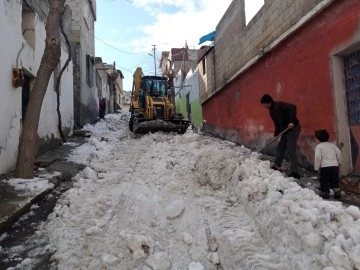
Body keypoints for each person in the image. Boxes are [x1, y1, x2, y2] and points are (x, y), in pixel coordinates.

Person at [260, 94, 301, 178]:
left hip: (293, 129)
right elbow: (277, 124)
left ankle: (295, 172)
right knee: (280, 147)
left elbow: (293, 107)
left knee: (290, 150)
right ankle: (277, 165)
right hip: (284, 130)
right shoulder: (271, 111)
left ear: (269, 102)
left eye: (264, 105)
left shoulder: (280, 105)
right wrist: (276, 134)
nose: (264, 107)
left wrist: (292, 121)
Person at [314, 129, 342, 200]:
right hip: (335, 166)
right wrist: (339, 162)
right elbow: (339, 153)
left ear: (318, 139)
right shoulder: (332, 145)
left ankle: (325, 192)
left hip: (325, 167)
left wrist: (316, 167)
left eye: (316, 139)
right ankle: (337, 192)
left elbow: (317, 157)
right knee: (335, 180)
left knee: (324, 180)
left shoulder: (319, 147)